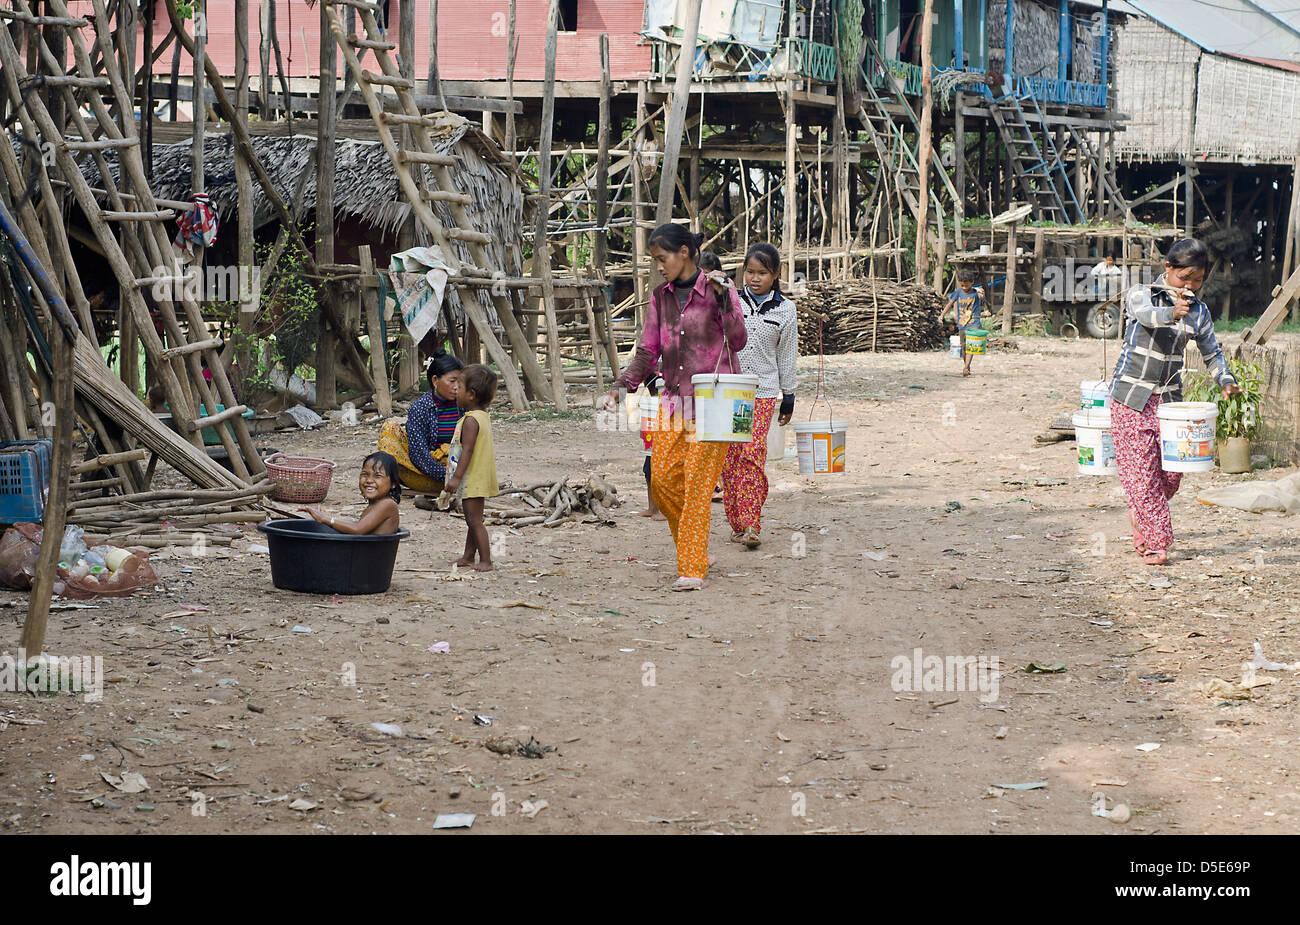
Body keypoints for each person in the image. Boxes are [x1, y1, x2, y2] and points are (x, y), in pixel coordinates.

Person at [603, 224, 747, 592]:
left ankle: (691, 566)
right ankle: (693, 544)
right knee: (664, 482)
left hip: (714, 405)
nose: (658, 267)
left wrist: (724, 299)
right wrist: (623, 386)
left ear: (684, 252)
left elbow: (739, 340)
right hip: (672, 403)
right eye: (654, 260)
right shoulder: (660, 297)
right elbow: (649, 350)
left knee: (697, 484)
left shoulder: (719, 291)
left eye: (661, 258)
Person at [1109, 238, 1241, 566]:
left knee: (1171, 475)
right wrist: (1171, 311)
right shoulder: (1141, 293)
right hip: (1130, 397)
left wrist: (1225, 380)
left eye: (1198, 280)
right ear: (1168, 268)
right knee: (1142, 475)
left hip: (1170, 404)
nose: (1191, 285)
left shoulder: (1200, 311)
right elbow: (1148, 316)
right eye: (1185, 278)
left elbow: (1212, 351)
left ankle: (1141, 508)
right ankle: (1157, 541)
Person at [722, 243, 798, 550]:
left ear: (776, 274)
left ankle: (752, 522)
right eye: (750, 272)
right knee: (730, 460)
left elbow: (787, 355)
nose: (755, 278)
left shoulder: (785, 309)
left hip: (763, 393)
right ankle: (737, 522)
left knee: (752, 454)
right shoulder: (730, 302)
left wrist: (788, 396)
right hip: (729, 393)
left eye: (762, 273)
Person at [377, 351, 464, 505]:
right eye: (452, 381)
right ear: (435, 380)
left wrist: (458, 474)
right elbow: (419, 455)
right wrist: (447, 475)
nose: (457, 387)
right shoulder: (420, 408)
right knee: (389, 429)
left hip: (462, 472)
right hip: (427, 473)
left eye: (460, 382)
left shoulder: (464, 405)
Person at [445, 364, 499, 571]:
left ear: (472, 394)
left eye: (459, 385)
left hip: (472, 479)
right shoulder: (482, 416)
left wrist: (456, 478)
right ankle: (468, 556)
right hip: (479, 476)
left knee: (474, 522)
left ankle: (486, 560)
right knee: (473, 520)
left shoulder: (470, 421)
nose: (455, 389)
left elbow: (466, 451)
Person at [299, 452, 401, 534]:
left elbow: (358, 529)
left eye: (377, 476)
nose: (369, 480)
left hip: (374, 558)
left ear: (393, 483)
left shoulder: (387, 504)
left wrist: (326, 519)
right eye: (365, 474)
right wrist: (325, 518)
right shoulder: (375, 504)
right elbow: (356, 526)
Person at [941, 268, 985, 377]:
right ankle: (967, 366)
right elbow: (950, 303)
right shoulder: (958, 292)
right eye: (962, 285)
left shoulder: (976, 292)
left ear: (972, 283)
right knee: (964, 346)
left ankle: (965, 367)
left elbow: (981, 293)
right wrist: (942, 315)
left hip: (974, 323)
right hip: (962, 324)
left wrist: (977, 290)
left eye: (967, 285)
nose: (964, 288)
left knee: (971, 345)